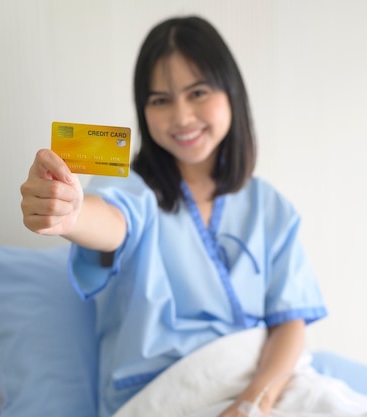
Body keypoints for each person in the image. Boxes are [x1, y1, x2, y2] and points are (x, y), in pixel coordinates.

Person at [20, 15, 327, 417]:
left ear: (231, 92)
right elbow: (112, 222)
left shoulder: (270, 208)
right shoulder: (133, 187)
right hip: (168, 393)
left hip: (262, 384)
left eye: (197, 92)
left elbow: (289, 323)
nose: (181, 117)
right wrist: (72, 214)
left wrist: (255, 400)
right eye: (160, 100)